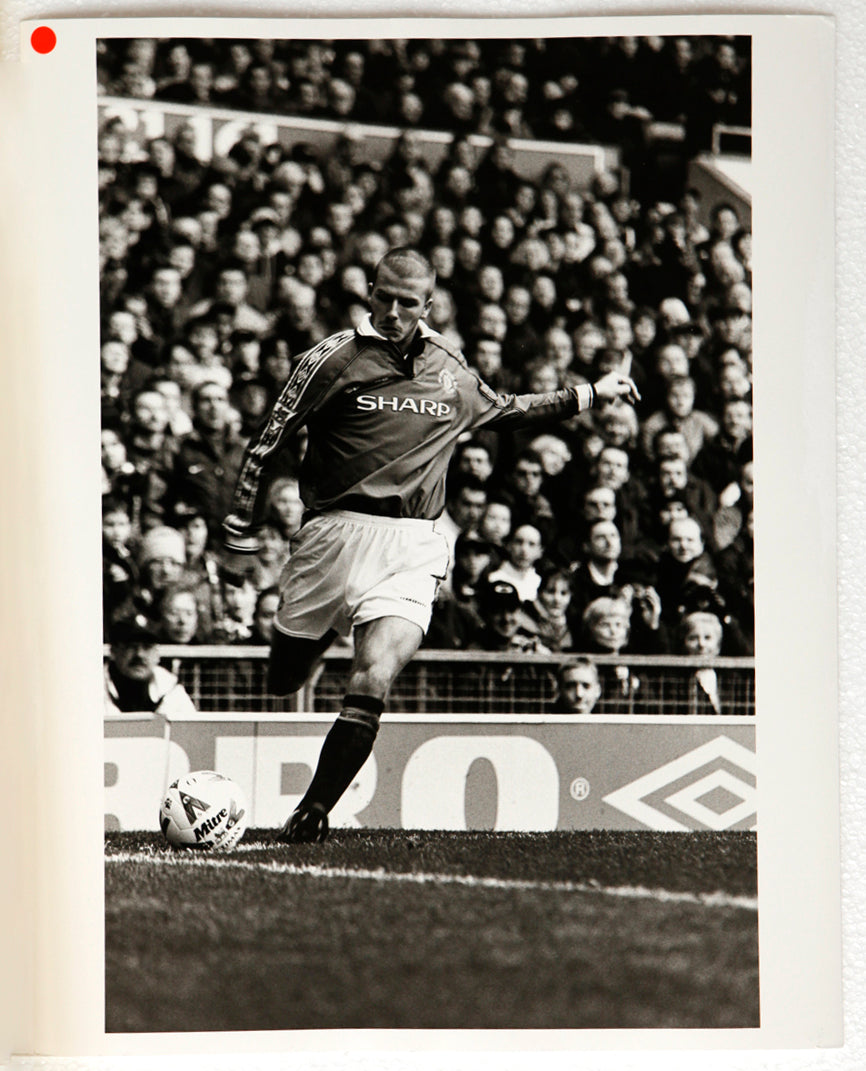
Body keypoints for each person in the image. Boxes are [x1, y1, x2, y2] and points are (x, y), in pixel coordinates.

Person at [222, 247, 639, 843]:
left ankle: (313, 809)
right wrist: (240, 517)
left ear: (429, 305)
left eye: (407, 302)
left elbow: (507, 409)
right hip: (330, 537)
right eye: (383, 297)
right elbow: (269, 437)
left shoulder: (449, 365)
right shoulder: (332, 357)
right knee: (284, 679)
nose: (392, 311)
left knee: (373, 677)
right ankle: (318, 639)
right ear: (369, 291)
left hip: (413, 543)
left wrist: (592, 392)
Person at [104, 614, 198, 716]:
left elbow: (192, 729)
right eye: (131, 647)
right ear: (113, 651)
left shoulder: (169, 688)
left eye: (147, 647)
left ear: (157, 655)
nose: (139, 654)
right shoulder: (94, 687)